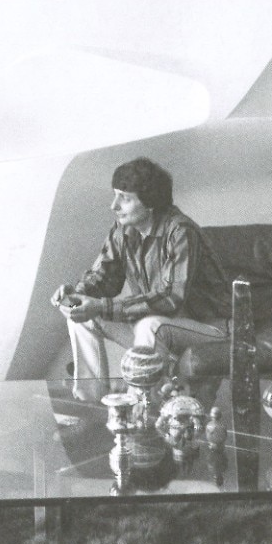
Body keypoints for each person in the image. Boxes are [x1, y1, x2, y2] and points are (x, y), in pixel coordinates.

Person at [49, 157, 227, 400]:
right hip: (157, 327)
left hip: (208, 329)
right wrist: (77, 295)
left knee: (149, 325)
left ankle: (137, 408)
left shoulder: (181, 232)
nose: (114, 205)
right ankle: (90, 401)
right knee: (79, 314)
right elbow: (104, 278)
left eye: (125, 198)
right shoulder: (123, 229)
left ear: (150, 202)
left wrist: (100, 305)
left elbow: (170, 298)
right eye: (115, 195)